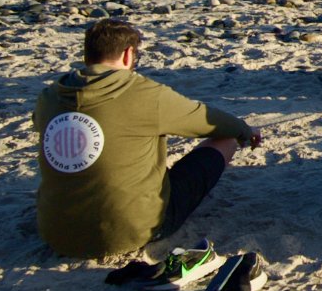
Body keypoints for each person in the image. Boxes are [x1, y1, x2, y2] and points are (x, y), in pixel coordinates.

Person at [34, 19, 261, 259]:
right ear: (128, 54)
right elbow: (208, 120)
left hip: (54, 233)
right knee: (225, 139)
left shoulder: (50, 96)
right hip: (132, 232)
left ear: (87, 54)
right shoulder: (145, 94)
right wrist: (245, 131)